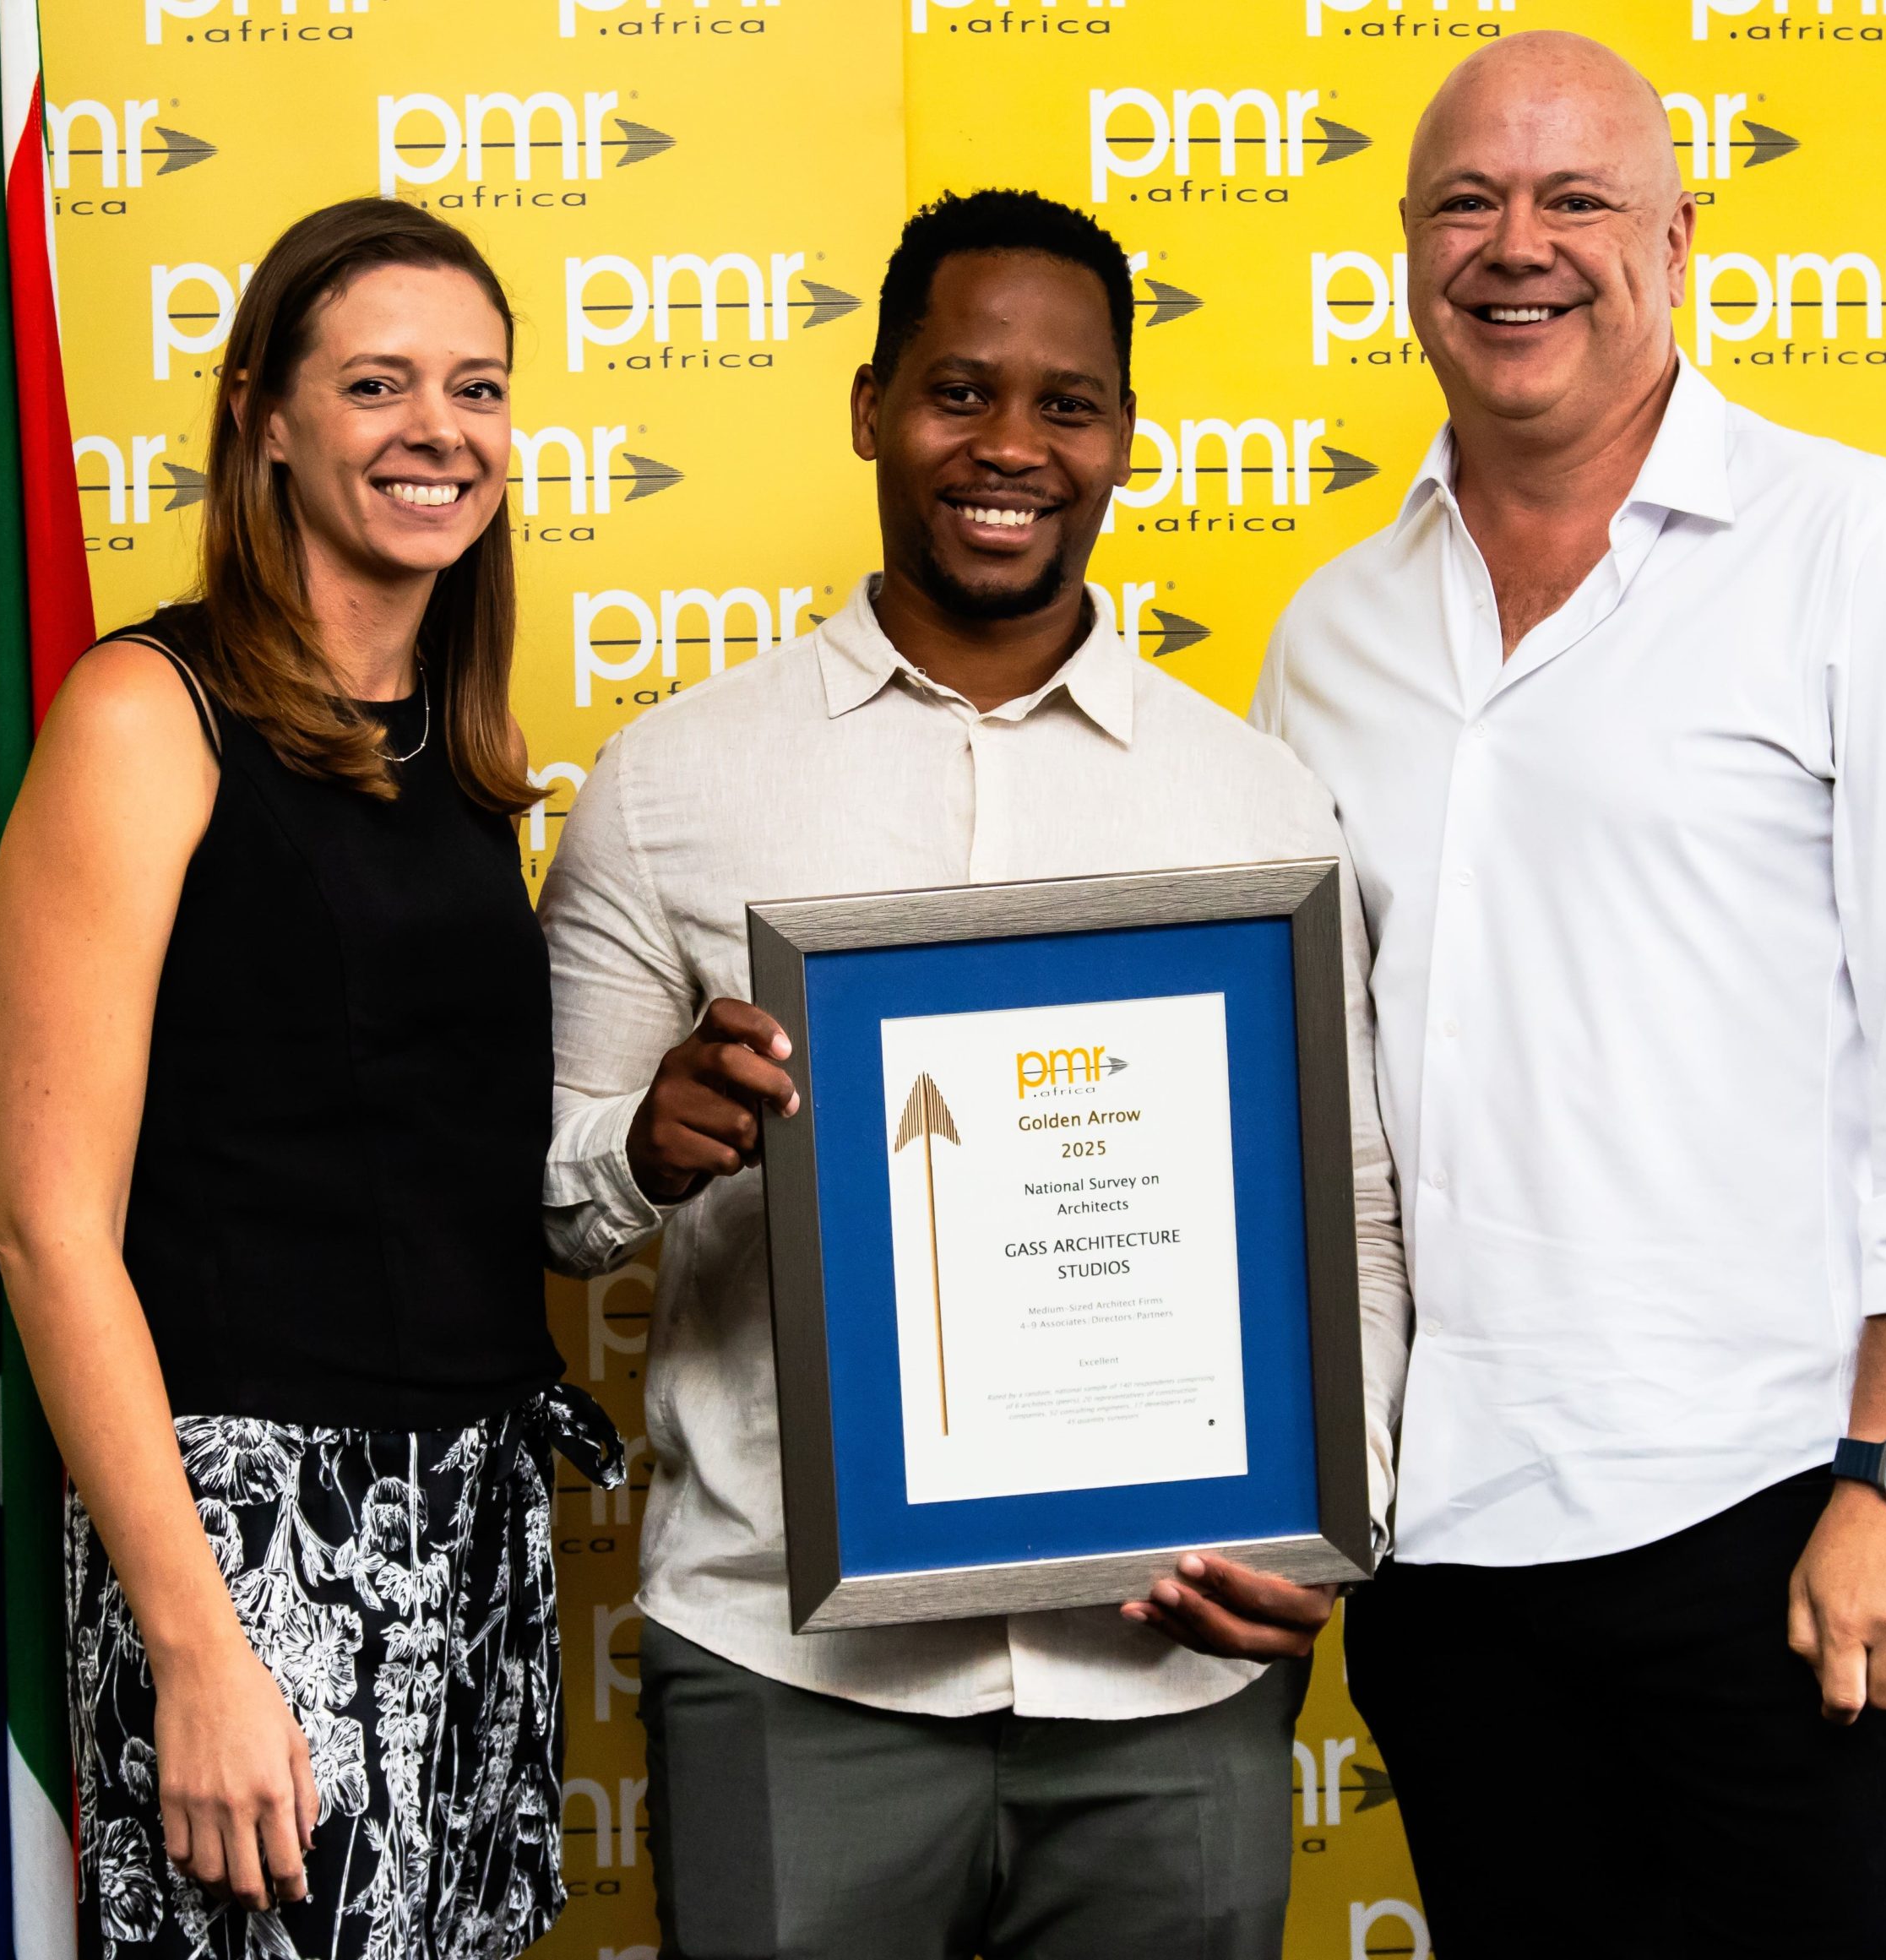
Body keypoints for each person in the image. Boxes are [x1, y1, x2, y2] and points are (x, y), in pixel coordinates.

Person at [538, 188, 1410, 1960]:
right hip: (790, 1668)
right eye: (959, 392)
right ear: (870, 407)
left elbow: (1353, 1214)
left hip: (1168, 1674)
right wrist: (646, 1144)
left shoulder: (1253, 797)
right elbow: (555, 1206)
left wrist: (1335, 1515)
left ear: (1124, 437)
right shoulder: (673, 781)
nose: (1010, 446)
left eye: (1064, 404)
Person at [1253, 32, 1886, 1960]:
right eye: (1466, 201)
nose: (1515, 245)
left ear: (1676, 238)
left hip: (1777, 1518)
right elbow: (1298, 1105)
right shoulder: (1329, 634)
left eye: (1575, 198)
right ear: (1405, 247)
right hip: (1447, 1552)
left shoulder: (1861, 552)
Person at [0, 198, 622, 1960]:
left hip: (475, 1520)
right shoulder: (148, 715)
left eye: (478, 387)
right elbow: (47, 1226)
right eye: (377, 383)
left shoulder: (462, 748)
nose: (440, 429)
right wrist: (195, 1641)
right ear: (264, 417)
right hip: (252, 1545)